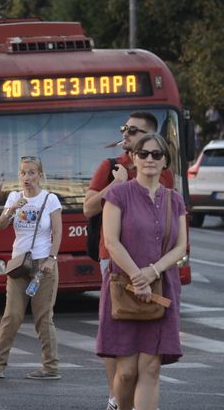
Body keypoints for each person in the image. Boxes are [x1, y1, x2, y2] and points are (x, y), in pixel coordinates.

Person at [83, 111, 173, 410]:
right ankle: (114, 397)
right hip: (115, 262)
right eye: (125, 129)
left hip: (155, 264)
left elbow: (175, 224)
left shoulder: (163, 173)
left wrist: (157, 268)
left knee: (148, 351)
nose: (126, 135)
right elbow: (88, 210)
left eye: (133, 131)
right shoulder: (110, 166)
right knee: (118, 331)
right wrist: (116, 185)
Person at [98, 133, 186, 410]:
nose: (150, 159)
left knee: (150, 368)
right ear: (134, 158)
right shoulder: (118, 193)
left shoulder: (175, 200)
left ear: (165, 162)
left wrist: (152, 273)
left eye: (156, 154)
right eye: (144, 153)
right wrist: (138, 277)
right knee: (126, 372)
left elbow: (181, 246)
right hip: (124, 288)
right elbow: (111, 241)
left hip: (161, 288)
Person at [0, 155, 62, 380]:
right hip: (19, 266)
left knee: (43, 317)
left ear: (40, 175)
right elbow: (0, 225)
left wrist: (52, 257)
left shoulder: (50, 199)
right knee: (11, 316)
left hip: (43, 266)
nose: (27, 177)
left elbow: (58, 232)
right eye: (23, 173)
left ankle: (50, 367)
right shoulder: (14, 197)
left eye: (31, 172)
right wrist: (12, 208)